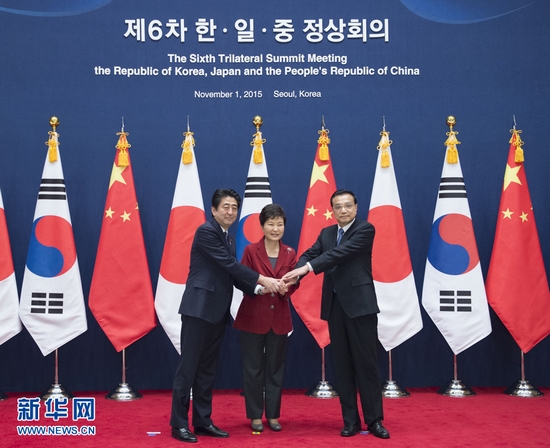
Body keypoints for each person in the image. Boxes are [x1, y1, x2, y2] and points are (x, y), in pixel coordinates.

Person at [170, 188, 281, 443]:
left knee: (207, 370)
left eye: (234, 208)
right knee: (188, 369)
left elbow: (231, 275)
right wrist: (262, 278)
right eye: (225, 207)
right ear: (214, 209)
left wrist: (259, 290)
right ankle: (178, 424)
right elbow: (229, 265)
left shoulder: (229, 238)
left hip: (217, 312)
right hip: (198, 310)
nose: (230, 212)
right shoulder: (206, 232)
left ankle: (202, 421)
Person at [283, 189, 390, 439]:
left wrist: (307, 269)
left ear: (356, 207)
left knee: (366, 365)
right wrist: (296, 270)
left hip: (360, 306)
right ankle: (350, 421)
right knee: (342, 366)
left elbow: (338, 254)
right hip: (334, 306)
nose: (343, 210)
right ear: (332, 210)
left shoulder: (365, 229)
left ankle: (374, 420)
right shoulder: (327, 233)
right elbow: (311, 253)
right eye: (338, 206)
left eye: (347, 205)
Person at [233, 204, 299, 433]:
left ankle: (273, 415)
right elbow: (241, 279)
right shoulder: (251, 250)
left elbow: (295, 282)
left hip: (279, 319)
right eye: (271, 224)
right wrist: (260, 287)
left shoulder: (290, 252)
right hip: (252, 317)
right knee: (252, 369)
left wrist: (286, 289)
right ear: (262, 226)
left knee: (275, 369)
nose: (275, 228)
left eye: (279, 224)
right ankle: (254, 415)